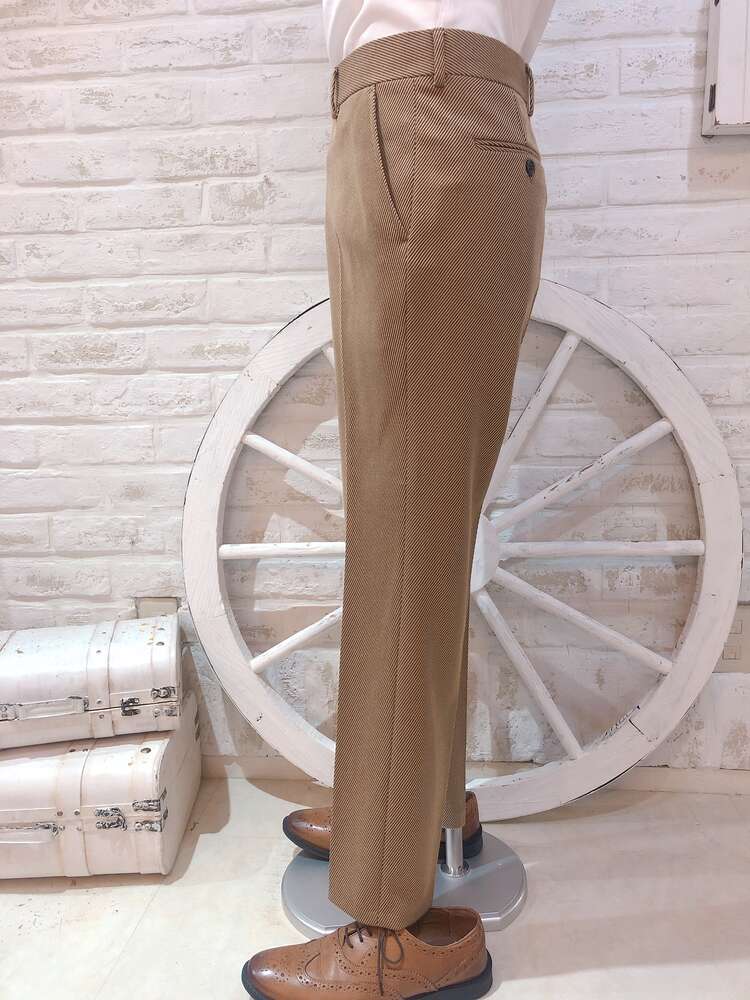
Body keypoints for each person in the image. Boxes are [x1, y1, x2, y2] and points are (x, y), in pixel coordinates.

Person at [242, 4, 553, 997]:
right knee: (415, 518)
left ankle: (385, 922)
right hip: (415, 114)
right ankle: (416, 808)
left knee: (407, 527)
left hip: (425, 114)